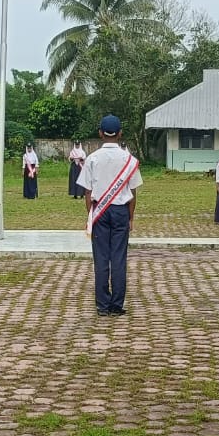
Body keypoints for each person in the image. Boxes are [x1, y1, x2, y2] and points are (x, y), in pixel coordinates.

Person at [78, 115, 142, 316]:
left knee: (101, 258)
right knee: (119, 258)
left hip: (100, 211)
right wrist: (130, 217)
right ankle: (116, 305)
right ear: (120, 133)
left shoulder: (92, 158)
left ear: (100, 133)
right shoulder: (129, 160)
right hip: (121, 211)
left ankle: (102, 305)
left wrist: (91, 216)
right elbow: (133, 194)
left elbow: (88, 193)